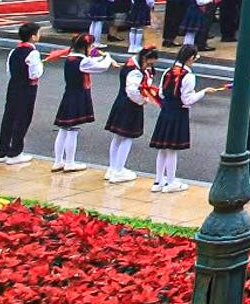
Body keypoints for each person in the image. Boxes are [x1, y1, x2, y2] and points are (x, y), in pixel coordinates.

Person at [0, 24, 45, 165]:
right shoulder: (33, 53)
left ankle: (3, 151)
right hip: (27, 89)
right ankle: (15, 152)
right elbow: (35, 73)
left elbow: (9, 70)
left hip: (13, 86)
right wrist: (41, 65)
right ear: (33, 36)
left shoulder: (14, 51)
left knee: (9, 117)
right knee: (22, 119)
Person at [149, 51, 197, 193]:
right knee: (172, 149)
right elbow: (187, 99)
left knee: (163, 148)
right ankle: (171, 182)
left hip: (165, 110)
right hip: (178, 112)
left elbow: (161, 94)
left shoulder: (168, 71)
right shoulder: (188, 76)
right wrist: (203, 93)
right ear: (190, 58)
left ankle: (158, 181)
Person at [48, 31, 97, 169]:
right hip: (78, 95)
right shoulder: (82, 61)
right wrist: (108, 59)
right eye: (91, 46)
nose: (92, 48)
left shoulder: (70, 57)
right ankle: (70, 162)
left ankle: (58, 161)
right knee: (73, 130)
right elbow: (99, 66)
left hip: (69, 94)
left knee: (63, 129)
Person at [100, 47, 148, 181]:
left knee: (118, 137)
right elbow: (132, 91)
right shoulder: (136, 72)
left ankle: (113, 168)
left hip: (120, 102)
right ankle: (119, 170)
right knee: (127, 137)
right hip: (130, 106)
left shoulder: (129, 64)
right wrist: (142, 100)